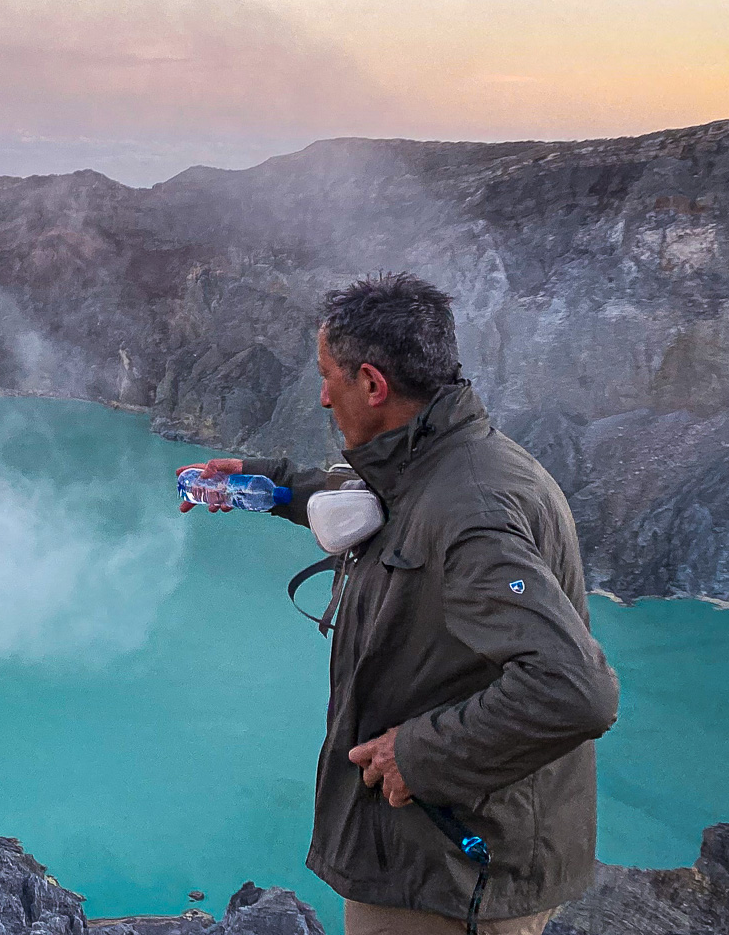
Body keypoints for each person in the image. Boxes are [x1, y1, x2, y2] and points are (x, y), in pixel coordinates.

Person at [183, 275, 619, 935]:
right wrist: (272, 486)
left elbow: (574, 690)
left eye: (330, 377)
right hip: (439, 853)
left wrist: (414, 755)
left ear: (374, 385)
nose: (324, 395)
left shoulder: (470, 509)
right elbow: (374, 506)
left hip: (449, 872)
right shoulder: (442, 463)